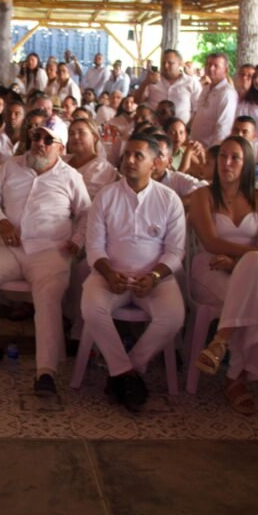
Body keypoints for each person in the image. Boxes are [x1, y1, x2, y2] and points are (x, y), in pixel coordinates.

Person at [0, 116, 90, 397]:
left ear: (61, 147)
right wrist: (2, 222)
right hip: (10, 247)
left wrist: (76, 240)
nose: (39, 144)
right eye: (36, 137)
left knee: (47, 297)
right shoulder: (11, 165)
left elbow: (86, 214)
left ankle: (45, 371)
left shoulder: (71, 177)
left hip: (51, 251)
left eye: (48, 140)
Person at [80, 133, 186, 412]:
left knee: (173, 316)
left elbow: (175, 253)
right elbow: (93, 247)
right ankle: (128, 375)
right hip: (109, 275)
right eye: (127, 154)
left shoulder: (169, 199)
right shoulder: (107, 196)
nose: (129, 160)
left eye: (138, 155)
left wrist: (153, 277)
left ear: (156, 163)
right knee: (91, 307)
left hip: (154, 279)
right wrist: (108, 272)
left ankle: (126, 371)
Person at [187, 136, 258, 414]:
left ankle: (221, 340)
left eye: (234, 158)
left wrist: (236, 261)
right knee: (252, 287)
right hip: (211, 267)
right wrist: (248, 255)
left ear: (246, 165)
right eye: (222, 157)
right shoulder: (203, 196)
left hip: (250, 269)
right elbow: (210, 242)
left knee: (254, 266)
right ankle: (237, 379)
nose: (226, 163)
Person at [190, 52, 238, 149]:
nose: (211, 68)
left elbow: (224, 127)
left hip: (208, 150)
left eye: (216, 66)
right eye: (209, 64)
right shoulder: (206, 88)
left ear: (226, 70)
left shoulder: (227, 93)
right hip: (195, 146)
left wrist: (213, 153)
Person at [65, 118, 118, 200]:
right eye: (71, 134)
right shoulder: (63, 160)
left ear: (95, 137)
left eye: (81, 133)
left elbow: (84, 200)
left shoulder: (101, 168)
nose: (75, 137)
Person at [143, 49, 200, 123]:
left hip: (181, 131)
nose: (166, 66)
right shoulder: (152, 81)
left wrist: (188, 128)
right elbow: (137, 101)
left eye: (170, 63)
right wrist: (145, 83)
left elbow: (198, 109)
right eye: (163, 63)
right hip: (153, 130)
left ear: (180, 63)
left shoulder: (191, 82)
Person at [0, 99, 25, 165]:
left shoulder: (28, 140)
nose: (12, 117)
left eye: (17, 114)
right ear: (4, 116)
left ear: (24, 118)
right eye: (9, 113)